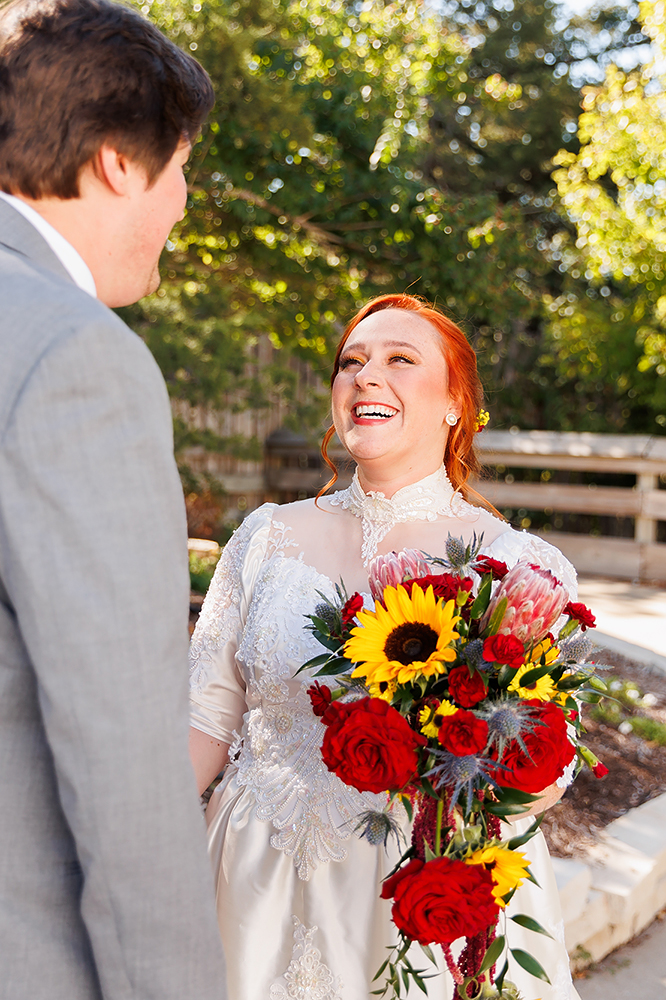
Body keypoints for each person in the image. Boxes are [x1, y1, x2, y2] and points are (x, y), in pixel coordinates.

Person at [189, 293, 582, 1000]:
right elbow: (206, 719)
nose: (366, 376)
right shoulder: (264, 537)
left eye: (400, 359)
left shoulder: (522, 570)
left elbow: (545, 776)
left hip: (422, 894)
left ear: (455, 404)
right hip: (249, 882)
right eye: (351, 362)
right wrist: (126, 847)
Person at [0, 1, 228, 997]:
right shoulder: (73, 356)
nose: (183, 203)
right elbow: (126, 764)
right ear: (115, 164)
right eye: (181, 167)